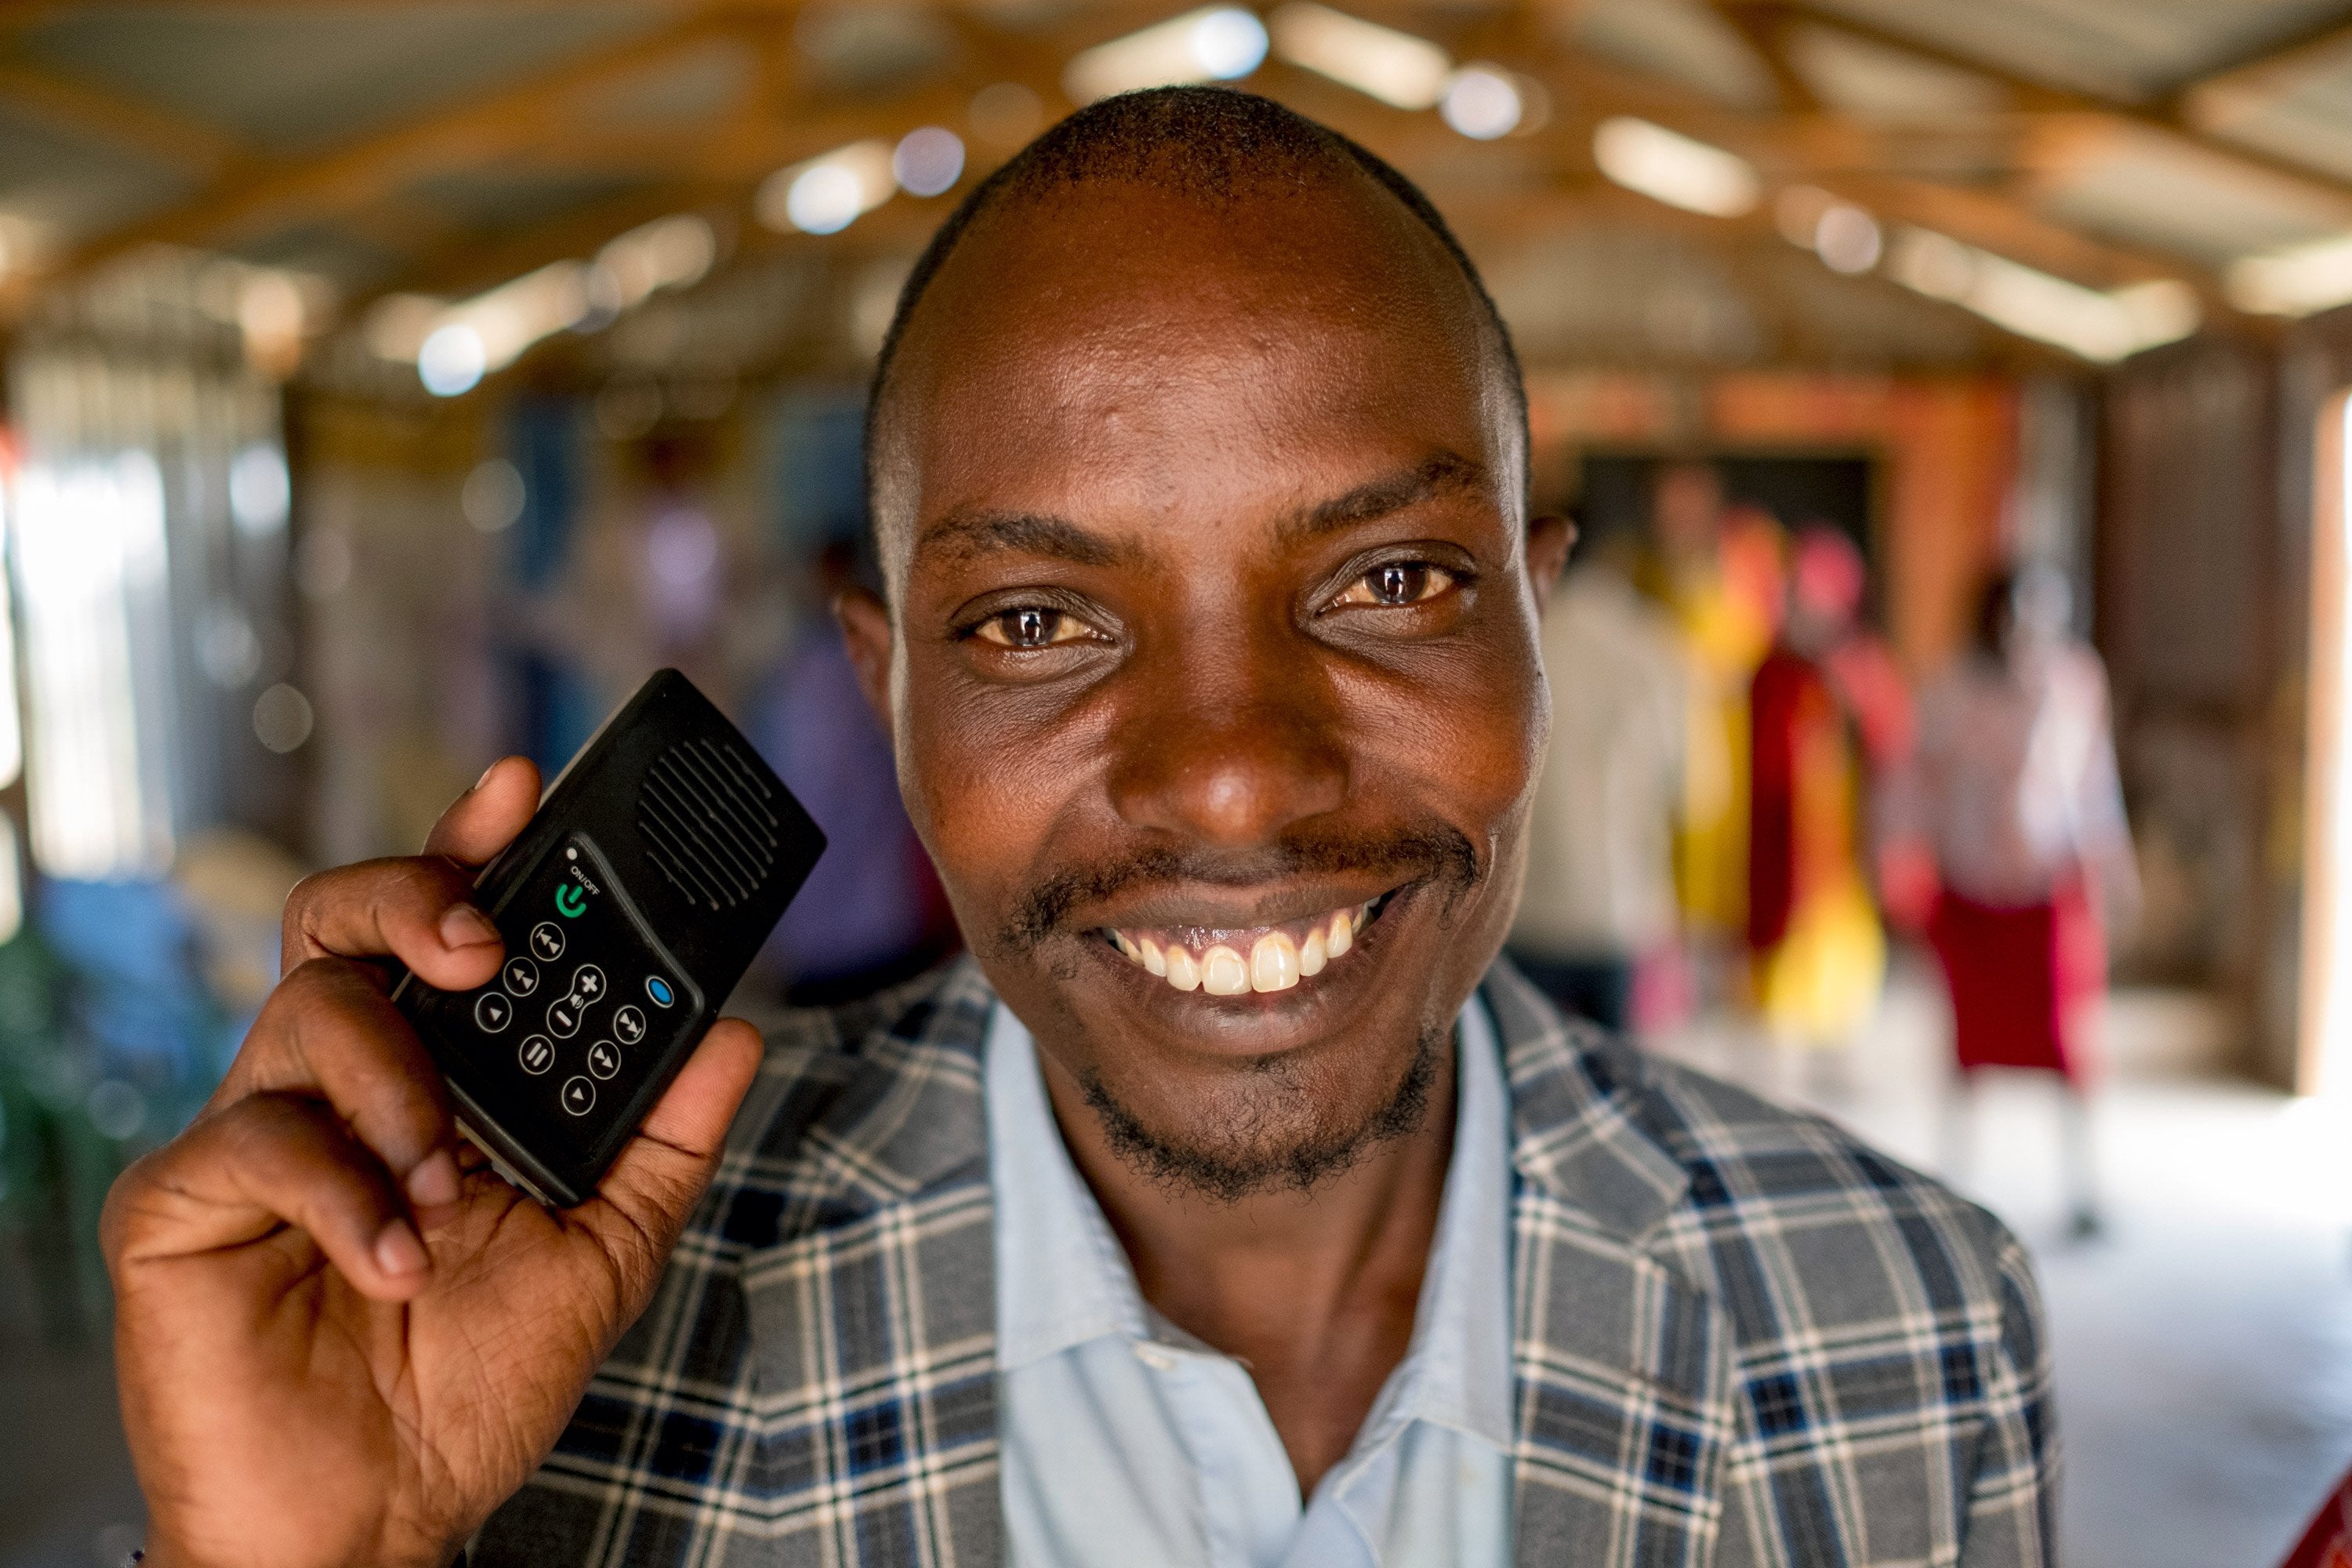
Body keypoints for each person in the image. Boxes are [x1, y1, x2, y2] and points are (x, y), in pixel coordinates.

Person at [103, 89, 2055, 1568]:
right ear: (882, 685)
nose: (1229, 774)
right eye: (1036, 621)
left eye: (1389, 583)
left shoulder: (1902, 1331)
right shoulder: (541, 1356)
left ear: (1543, 621)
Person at [1911, 564, 2136, 1236]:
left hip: (2046, 889)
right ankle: (1956, 1178)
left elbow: (2094, 785)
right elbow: (1918, 782)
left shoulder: (2074, 683)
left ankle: (2083, 1188)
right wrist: (1900, 857)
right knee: (1969, 1046)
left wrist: (2115, 867)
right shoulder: (1951, 688)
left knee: (2068, 1042)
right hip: (1972, 886)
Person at [1508, 520, 1686, 1032]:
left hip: (1533, 910)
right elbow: (1691, 792)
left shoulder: (1524, 642)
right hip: (1624, 910)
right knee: (1620, 1085)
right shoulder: (1656, 649)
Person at [1745, 527, 1902, 1053]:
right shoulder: (1770, 673)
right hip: (1777, 839)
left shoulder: (1860, 667)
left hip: (1841, 847)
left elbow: (1891, 748)